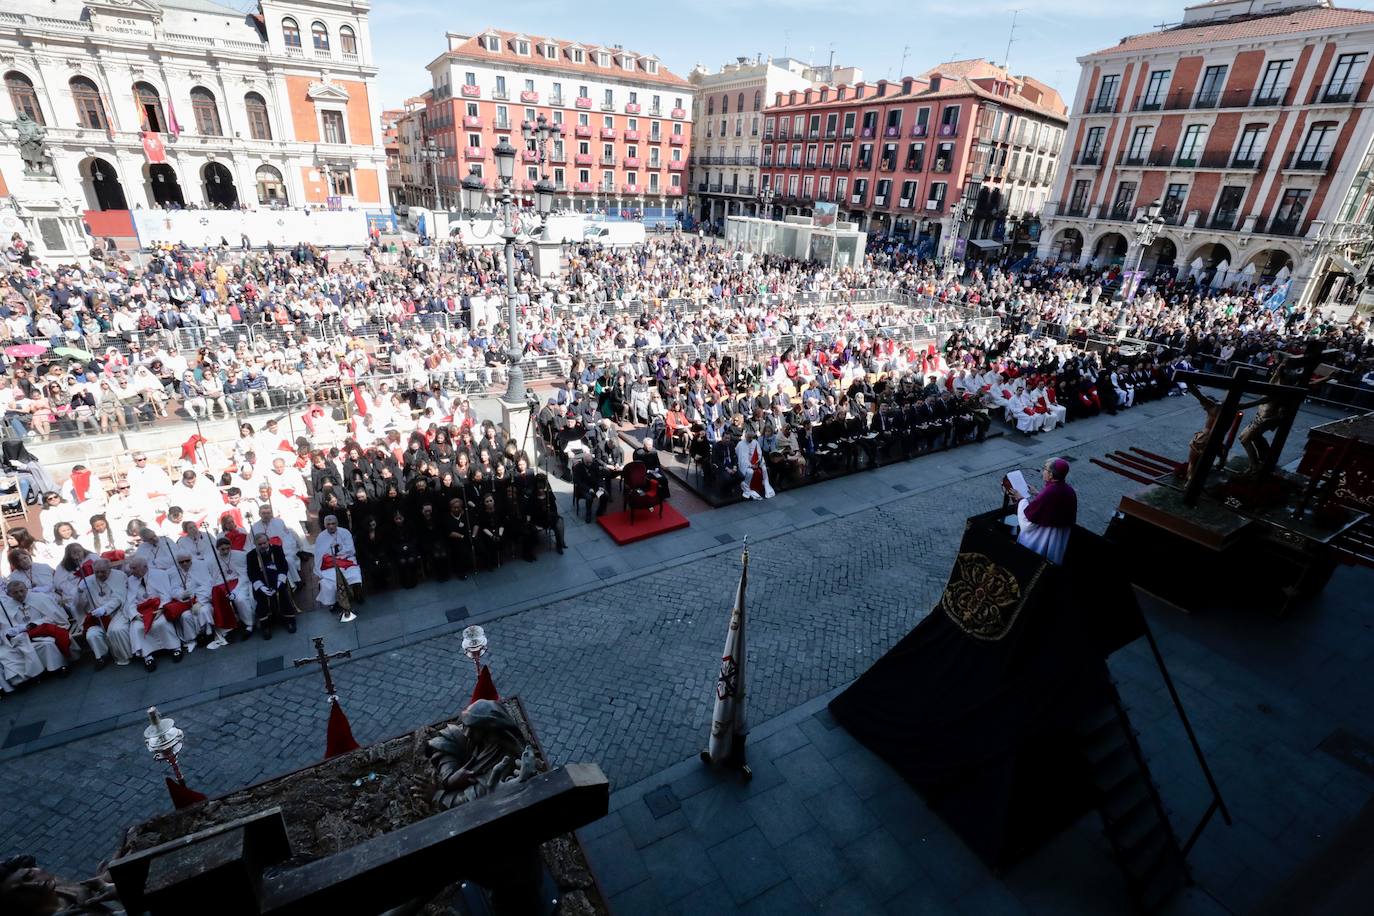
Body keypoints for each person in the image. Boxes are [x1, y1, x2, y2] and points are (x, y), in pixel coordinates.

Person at [1009, 458, 1078, 565]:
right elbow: (1053, 506)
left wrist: (1021, 499)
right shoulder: (1069, 490)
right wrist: (1038, 494)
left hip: (1043, 539)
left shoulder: (1049, 493)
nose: (1043, 471)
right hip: (1058, 539)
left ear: (1051, 475)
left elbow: (1027, 524)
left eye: (1045, 469)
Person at [0, 578, 74, 676]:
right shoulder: (5, 608)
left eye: (22, 591)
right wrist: (16, 630)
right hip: (23, 637)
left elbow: (53, 617)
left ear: (26, 589)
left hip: (43, 630)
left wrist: (35, 624)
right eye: (15, 593)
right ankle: (34, 675)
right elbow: (6, 628)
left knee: (47, 644)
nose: (20, 594)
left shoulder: (40, 598)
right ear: (9, 594)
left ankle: (59, 667)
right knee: (16, 651)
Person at [123, 555, 182, 671]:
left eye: (134, 568)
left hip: (159, 608)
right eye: (131, 568)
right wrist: (135, 615)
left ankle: (175, 648)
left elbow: (166, 594)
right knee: (137, 628)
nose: (131, 571)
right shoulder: (131, 580)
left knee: (162, 623)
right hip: (141, 611)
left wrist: (161, 609)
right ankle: (147, 656)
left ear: (144, 567)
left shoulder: (159, 574)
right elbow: (130, 601)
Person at [75, 558, 129, 670]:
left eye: (103, 572)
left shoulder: (119, 576)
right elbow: (79, 605)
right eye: (97, 572)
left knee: (116, 630)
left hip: (117, 613)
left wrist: (105, 609)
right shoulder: (87, 581)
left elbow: (119, 598)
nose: (99, 574)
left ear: (110, 569)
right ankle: (101, 657)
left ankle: (124, 656)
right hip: (97, 617)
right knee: (92, 635)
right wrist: (80, 592)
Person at [314, 514, 362, 621]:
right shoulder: (321, 537)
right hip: (329, 564)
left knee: (354, 575)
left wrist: (340, 554)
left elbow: (350, 549)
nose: (331, 526)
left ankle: (355, 596)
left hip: (346, 560)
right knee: (328, 583)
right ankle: (334, 602)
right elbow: (319, 554)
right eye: (328, 524)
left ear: (337, 523)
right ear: (325, 525)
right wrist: (330, 557)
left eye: (333, 524)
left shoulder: (345, 532)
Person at [246, 532, 293, 638]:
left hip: (277, 579)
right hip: (261, 583)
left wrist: (279, 582)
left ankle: (289, 620)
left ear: (268, 541)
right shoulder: (251, 555)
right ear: (255, 544)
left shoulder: (276, 549)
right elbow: (251, 573)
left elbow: (283, 566)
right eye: (260, 544)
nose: (262, 546)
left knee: (282, 595)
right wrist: (261, 587)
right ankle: (265, 626)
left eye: (264, 543)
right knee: (261, 600)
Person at [735, 427, 775, 500]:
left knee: (764, 469)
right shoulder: (741, 444)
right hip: (746, 466)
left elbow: (759, 454)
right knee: (750, 472)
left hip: (755, 463)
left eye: (751, 437)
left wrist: (757, 462)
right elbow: (742, 459)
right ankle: (747, 489)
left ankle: (766, 488)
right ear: (745, 436)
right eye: (749, 437)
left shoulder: (755, 442)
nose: (750, 439)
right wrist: (751, 465)